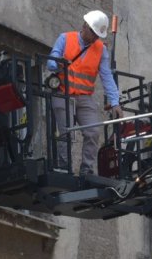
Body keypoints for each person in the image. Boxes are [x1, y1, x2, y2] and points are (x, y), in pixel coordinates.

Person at [47, 10, 124, 175]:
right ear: (85, 26)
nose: (96, 38)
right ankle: (64, 167)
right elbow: (51, 61)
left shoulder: (101, 50)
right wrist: (58, 64)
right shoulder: (65, 38)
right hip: (63, 93)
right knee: (66, 132)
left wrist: (115, 102)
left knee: (93, 132)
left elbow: (107, 77)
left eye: (98, 35)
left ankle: (86, 169)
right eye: (94, 33)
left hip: (84, 97)